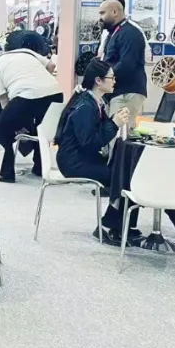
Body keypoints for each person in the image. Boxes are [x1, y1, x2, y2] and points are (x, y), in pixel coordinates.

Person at [54, 59, 134, 243]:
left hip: (84, 158)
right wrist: (114, 124)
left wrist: (112, 121)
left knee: (127, 173)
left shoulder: (95, 102)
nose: (115, 81)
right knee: (123, 179)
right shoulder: (85, 106)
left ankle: (124, 227)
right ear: (98, 80)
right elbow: (89, 142)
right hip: (74, 162)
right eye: (111, 78)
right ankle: (109, 226)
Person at [0, 31, 62, 182]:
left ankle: (5, 172)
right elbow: (52, 65)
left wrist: (16, 125)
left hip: (27, 95)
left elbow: (4, 102)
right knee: (41, 129)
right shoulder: (26, 53)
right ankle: (40, 166)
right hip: (55, 92)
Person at [99, 0, 147, 130]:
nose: (100, 18)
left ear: (114, 12)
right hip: (116, 91)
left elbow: (126, 65)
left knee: (119, 133)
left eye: (102, 13)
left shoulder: (130, 33)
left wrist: (103, 78)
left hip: (127, 92)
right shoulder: (115, 33)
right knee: (112, 132)